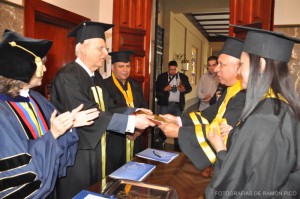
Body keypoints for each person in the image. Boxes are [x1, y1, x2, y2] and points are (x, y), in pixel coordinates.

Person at [50, 21, 155, 198]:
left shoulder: (95, 76)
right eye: (101, 48)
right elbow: (90, 115)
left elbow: (110, 107)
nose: (106, 54)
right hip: (77, 155)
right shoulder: (68, 76)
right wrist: (132, 121)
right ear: (83, 47)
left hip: (98, 151)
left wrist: (135, 110)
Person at [0, 29, 99, 198]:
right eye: (40, 64)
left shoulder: (38, 99)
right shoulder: (3, 113)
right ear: (22, 67)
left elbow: (57, 146)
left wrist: (70, 124)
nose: (45, 68)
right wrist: (53, 134)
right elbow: (18, 168)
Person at [205, 26, 300, 198]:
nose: (239, 71)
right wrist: (236, 134)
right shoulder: (283, 105)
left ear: (261, 64)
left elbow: (238, 186)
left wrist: (219, 148)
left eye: (241, 64)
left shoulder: (265, 117)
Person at [158, 36, 246, 174]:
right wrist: (178, 120)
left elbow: (222, 132)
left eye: (221, 64)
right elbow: (210, 114)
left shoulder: (244, 95)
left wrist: (180, 132)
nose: (216, 69)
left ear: (240, 67)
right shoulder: (231, 89)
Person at [104, 50, 148, 174]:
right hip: (116, 140)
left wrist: (138, 132)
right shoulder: (104, 86)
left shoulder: (136, 85)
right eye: (121, 66)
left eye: (128, 66)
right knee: (116, 174)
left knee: (136, 172)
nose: (125, 70)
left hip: (136, 138)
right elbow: (106, 113)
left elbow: (143, 109)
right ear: (113, 67)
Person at [155, 60, 192, 149]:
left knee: (178, 123)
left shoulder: (183, 77)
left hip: (178, 105)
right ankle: (161, 139)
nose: (172, 71)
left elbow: (189, 88)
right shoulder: (162, 77)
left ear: (177, 68)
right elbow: (157, 89)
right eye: (171, 69)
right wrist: (164, 88)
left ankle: (178, 141)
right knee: (162, 122)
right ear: (168, 68)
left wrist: (184, 90)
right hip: (165, 104)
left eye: (174, 69)